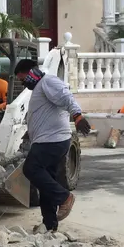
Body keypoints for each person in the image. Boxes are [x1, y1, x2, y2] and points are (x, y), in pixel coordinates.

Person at [14, 59, 91, 232]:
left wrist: (78, 116)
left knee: (31, 169)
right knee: (45, 182)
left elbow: (66, 96)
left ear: (32, 72)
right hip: (47, 139)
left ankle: (65, 197)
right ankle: (50, 225)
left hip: (52, 140)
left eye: (23, 78)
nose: (23, 83)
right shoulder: (40, 87)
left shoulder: (48, 81)